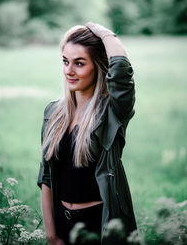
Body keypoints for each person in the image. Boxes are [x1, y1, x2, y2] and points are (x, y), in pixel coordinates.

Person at [37, 22, 137, 245]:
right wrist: (51, 235)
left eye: (79, 63)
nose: (69, 71)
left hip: (100, 225)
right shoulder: (53, 113)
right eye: (65, 61)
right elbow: (45, 176)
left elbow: (121, 70)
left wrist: (104, 34)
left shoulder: (111, 113)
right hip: (62, 225)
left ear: (98, 66)